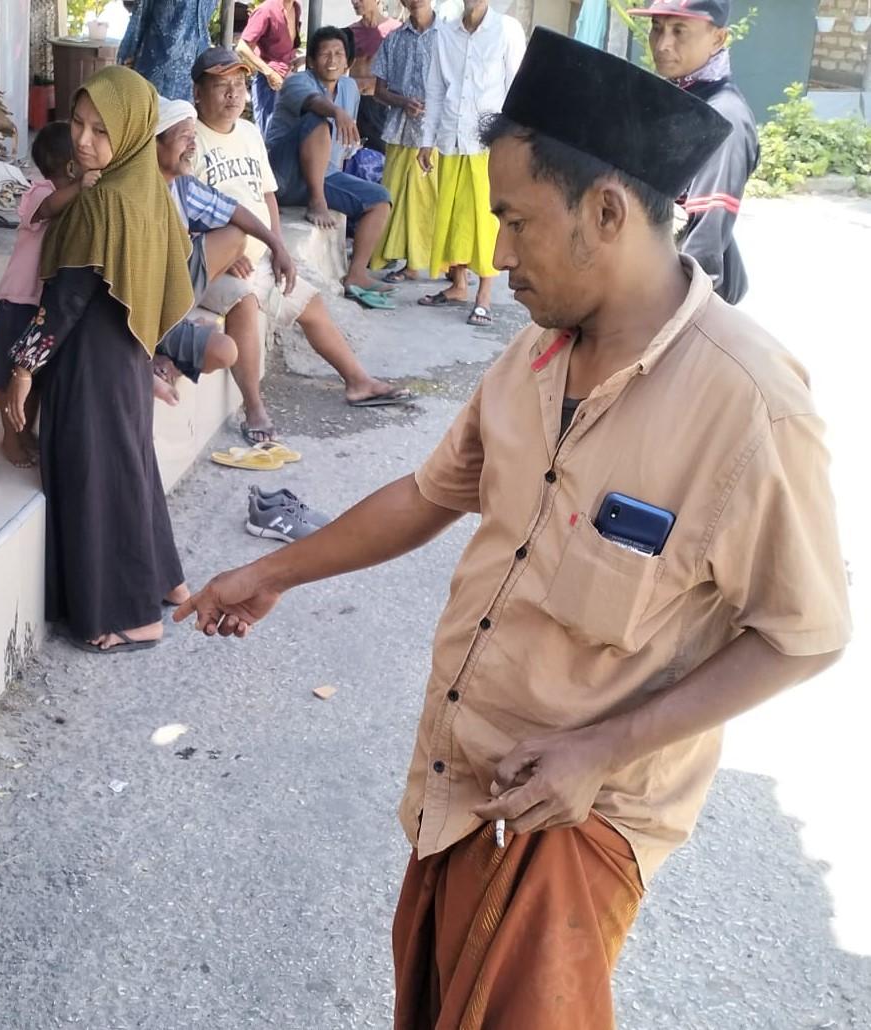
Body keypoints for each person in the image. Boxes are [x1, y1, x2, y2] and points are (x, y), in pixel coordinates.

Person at [176, 29, 850, 1028]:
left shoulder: (749, 406)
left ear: (608, 213)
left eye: (517, 222)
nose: (496, 253)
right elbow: (427, 494)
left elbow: (805, 634)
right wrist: (273, 572)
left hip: (578, 816)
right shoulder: (534, 356)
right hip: (464, 777)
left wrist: (602, 748)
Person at [2, 66, 194, 653]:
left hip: (89, 365)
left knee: (97, 482)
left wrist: (22, 370)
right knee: (130, 468)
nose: (83, 141)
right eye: (78, 124)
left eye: (100, 131)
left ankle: (130, 615)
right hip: (126, 360)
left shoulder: (99, 204)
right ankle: (167, 581)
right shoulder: (144, 189)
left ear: (132, 132)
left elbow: (63, 303)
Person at [190, 46, 415, 445]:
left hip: (258, 251)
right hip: (215, 264)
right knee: (244, 302)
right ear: (197, 92)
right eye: (221, 86)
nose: (233, 95)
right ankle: (254, 407)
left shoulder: (247, 132)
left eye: (239, 85)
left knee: (310, 302)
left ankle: (358, 382)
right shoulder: (190, 140)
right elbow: (180, 211)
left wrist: (279, 247)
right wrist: (222, 258)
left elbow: (268, 195)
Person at [151, 96, 294, 402]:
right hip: (144, 315)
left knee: (225, 350)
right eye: (183, 138)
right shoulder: (139, 193)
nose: (192, 146)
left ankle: (169, 354)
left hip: (170, 308)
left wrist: (276, 244)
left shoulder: (182, 186)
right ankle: (157, 351)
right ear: (154, 145)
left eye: (193, 137)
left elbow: (233, 211)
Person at [630, 0, 759, 303]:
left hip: (678, 297)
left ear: (718, 38)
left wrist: (671, 318)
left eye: (679, 31)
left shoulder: (722, 117)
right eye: (657, 28)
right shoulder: (677, 95)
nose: (662, 44)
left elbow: (704, 242)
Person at [0, 123, 95, 468]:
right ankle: (9, 439)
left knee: (36, 377)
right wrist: (80, 186)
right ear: (72, 167)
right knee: (9, 379)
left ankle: (24, 431)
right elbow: (47, 208)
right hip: (18, 300)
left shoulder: (76, 200)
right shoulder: (38, 192)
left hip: (43, 307)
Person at [264, 25, 394, 297]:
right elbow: (314, 104)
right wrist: (336, 111)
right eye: (324, 54)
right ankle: (316, 200)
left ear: (348, 62)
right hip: (284, 174)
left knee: (380, 199)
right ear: (311, 61)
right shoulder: (297, 82)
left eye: (339, 53)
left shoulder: (349, 88)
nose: (332, 60)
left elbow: (343, 149)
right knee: (317, 119)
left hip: (325, 174)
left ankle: (356, 273)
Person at [416, 0, 524, 327]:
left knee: (485, 219)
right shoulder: (444, 34)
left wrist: (515, 143)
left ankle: (484, 296)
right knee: (450, 213)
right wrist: (426, 140)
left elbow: (515, 90)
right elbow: (434, 91)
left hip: (489, 144)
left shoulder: (506, 30)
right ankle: (458, 284)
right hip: (451, 136)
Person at [370, 0, 439, 283]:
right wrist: (402, 101)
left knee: (427, 200)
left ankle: (424, 262)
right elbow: (379, 91)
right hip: (400, 128)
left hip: (435, 133)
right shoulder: (394, 39)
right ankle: (397, 256)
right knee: (394, 195)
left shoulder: (447, 37)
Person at [117, 0, 218, 103]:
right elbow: (140, 15)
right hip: (157, 67)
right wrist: (128, 54)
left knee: (187, 115)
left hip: (195, 71)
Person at [237, 0, 303, 136]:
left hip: (288, 80)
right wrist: (269, 72)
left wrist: (300, 59)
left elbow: (287, 48)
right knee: (268, 135)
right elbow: (242, 47)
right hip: (268, 83)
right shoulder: (266, 10)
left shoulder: (296, 7)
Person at [349, 0, 404, 148]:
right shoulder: (350, 32)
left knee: (380, 155)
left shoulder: (396, 31)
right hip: (354, 104)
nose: (355, 2)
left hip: (381, 105)